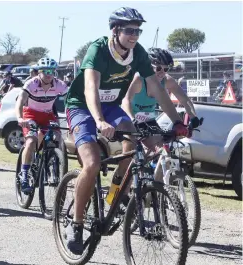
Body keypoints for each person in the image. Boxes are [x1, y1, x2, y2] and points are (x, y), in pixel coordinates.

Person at [64, 7, 189, 255]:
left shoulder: (138, 54)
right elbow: (90, 87)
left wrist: (177, 122)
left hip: (110, 107)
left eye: (138, 31)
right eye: (130, 30)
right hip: (82, 107)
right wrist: (99, 121)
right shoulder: (98, 49)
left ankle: (116, 195)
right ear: (115, 30)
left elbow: (157, 89)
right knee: (92, 164)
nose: (135, 35)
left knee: (134, 143)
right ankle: (76, 223)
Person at [121, 47, 199, 180]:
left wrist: (193, 117)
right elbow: (125, 101)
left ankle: (153, 191)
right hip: (129, 119)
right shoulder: (139, 79)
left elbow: (184, 99)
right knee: (129, 154)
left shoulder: (167, 81)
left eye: (166, 69)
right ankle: (119, 190)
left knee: (163, 152)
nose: (162, 72)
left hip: (148, 121)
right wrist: (132, 119)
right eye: (158, 68)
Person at [16, 57, 68, 193]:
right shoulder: (31, 84)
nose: (48, 74)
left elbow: (70, 101)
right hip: (30, 115)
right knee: (31, 141)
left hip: (48, 115)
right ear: (39, 71)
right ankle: (24, 174)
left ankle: (53, 166)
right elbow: (20, 101)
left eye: (51, 71)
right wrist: (20, 118)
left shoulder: (60, 85)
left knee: (57, 137)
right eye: (44, 71)